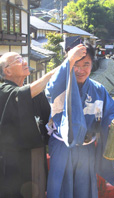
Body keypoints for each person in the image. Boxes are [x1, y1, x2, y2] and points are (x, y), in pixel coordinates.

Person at [0, 46, 86, 198]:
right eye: (18, 60)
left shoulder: (35, 94)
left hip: (36, 153)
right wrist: (68, 61)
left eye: (22, 58)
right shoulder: (4, 91)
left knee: (37, 192)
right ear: (7, 71)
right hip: (12, 159)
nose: (24, 61)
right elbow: (22, 95)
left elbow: (51, 117)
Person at [45, 43, 114, 198]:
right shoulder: (59, 87)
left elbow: (112, 113)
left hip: (86, 149)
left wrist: (113, 126)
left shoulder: (98, 89)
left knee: (86, 190)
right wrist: (69, 60)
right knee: (60, 190)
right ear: (68, 64)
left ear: (92, 65)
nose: (80, 70)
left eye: (86, 64)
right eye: (75, 64)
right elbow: (52, 91)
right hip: (62, 147)